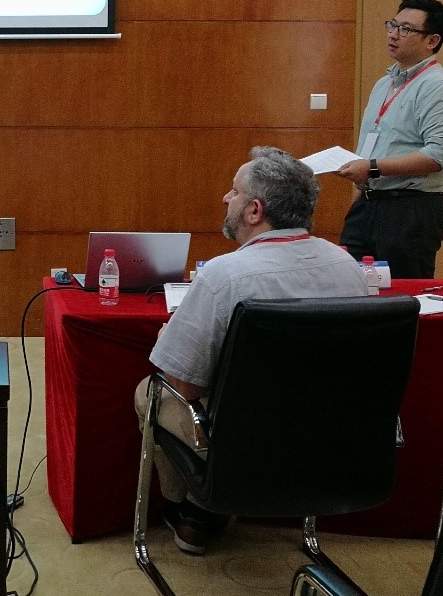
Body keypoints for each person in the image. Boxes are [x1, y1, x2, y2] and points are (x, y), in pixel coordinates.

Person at [134, 147, 367, 555]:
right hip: (330, 439)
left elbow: (185, 387)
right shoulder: (348, 267)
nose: (226, 198)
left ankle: (196, 506)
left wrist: (169, 337)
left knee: (148, 392)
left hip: (242, 443)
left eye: (234, 191)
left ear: (255, 211)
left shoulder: (223, 276)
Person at [335, 0, 443, 279]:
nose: (393, 34)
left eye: (406, 29)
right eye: (392, 25)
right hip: (368, 204)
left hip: (410, 209)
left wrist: (373, 168)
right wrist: (362, 192)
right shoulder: (384, 83)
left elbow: (441, 154)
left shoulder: (440, 87)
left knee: (402, 293)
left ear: (432, 40)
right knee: (352, 288)